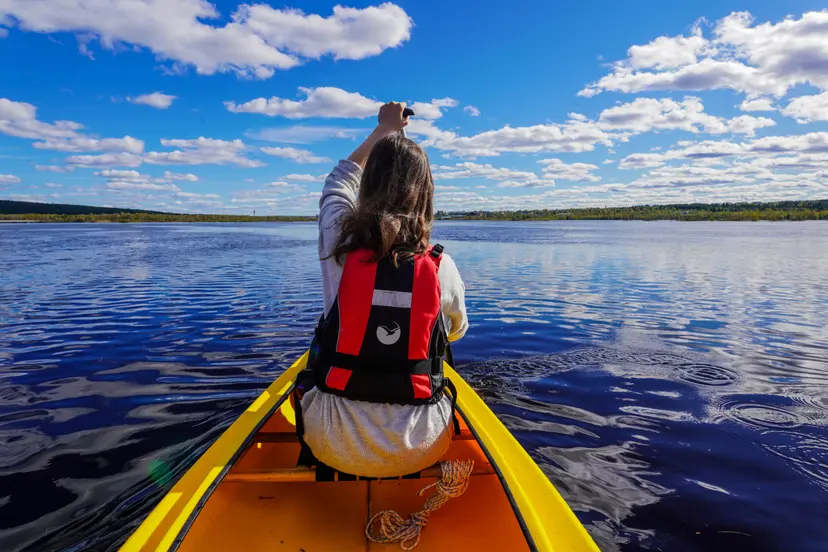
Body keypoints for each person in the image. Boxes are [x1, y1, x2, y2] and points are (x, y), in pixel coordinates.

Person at [298, 101, 469, 478]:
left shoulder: (336, 242)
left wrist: (383, 130)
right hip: (421, 447)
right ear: (425, 194)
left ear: (368, 184)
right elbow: (454, 332)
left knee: (320, 346)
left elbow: (338, 179)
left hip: (331, 440)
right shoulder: (442, 266)